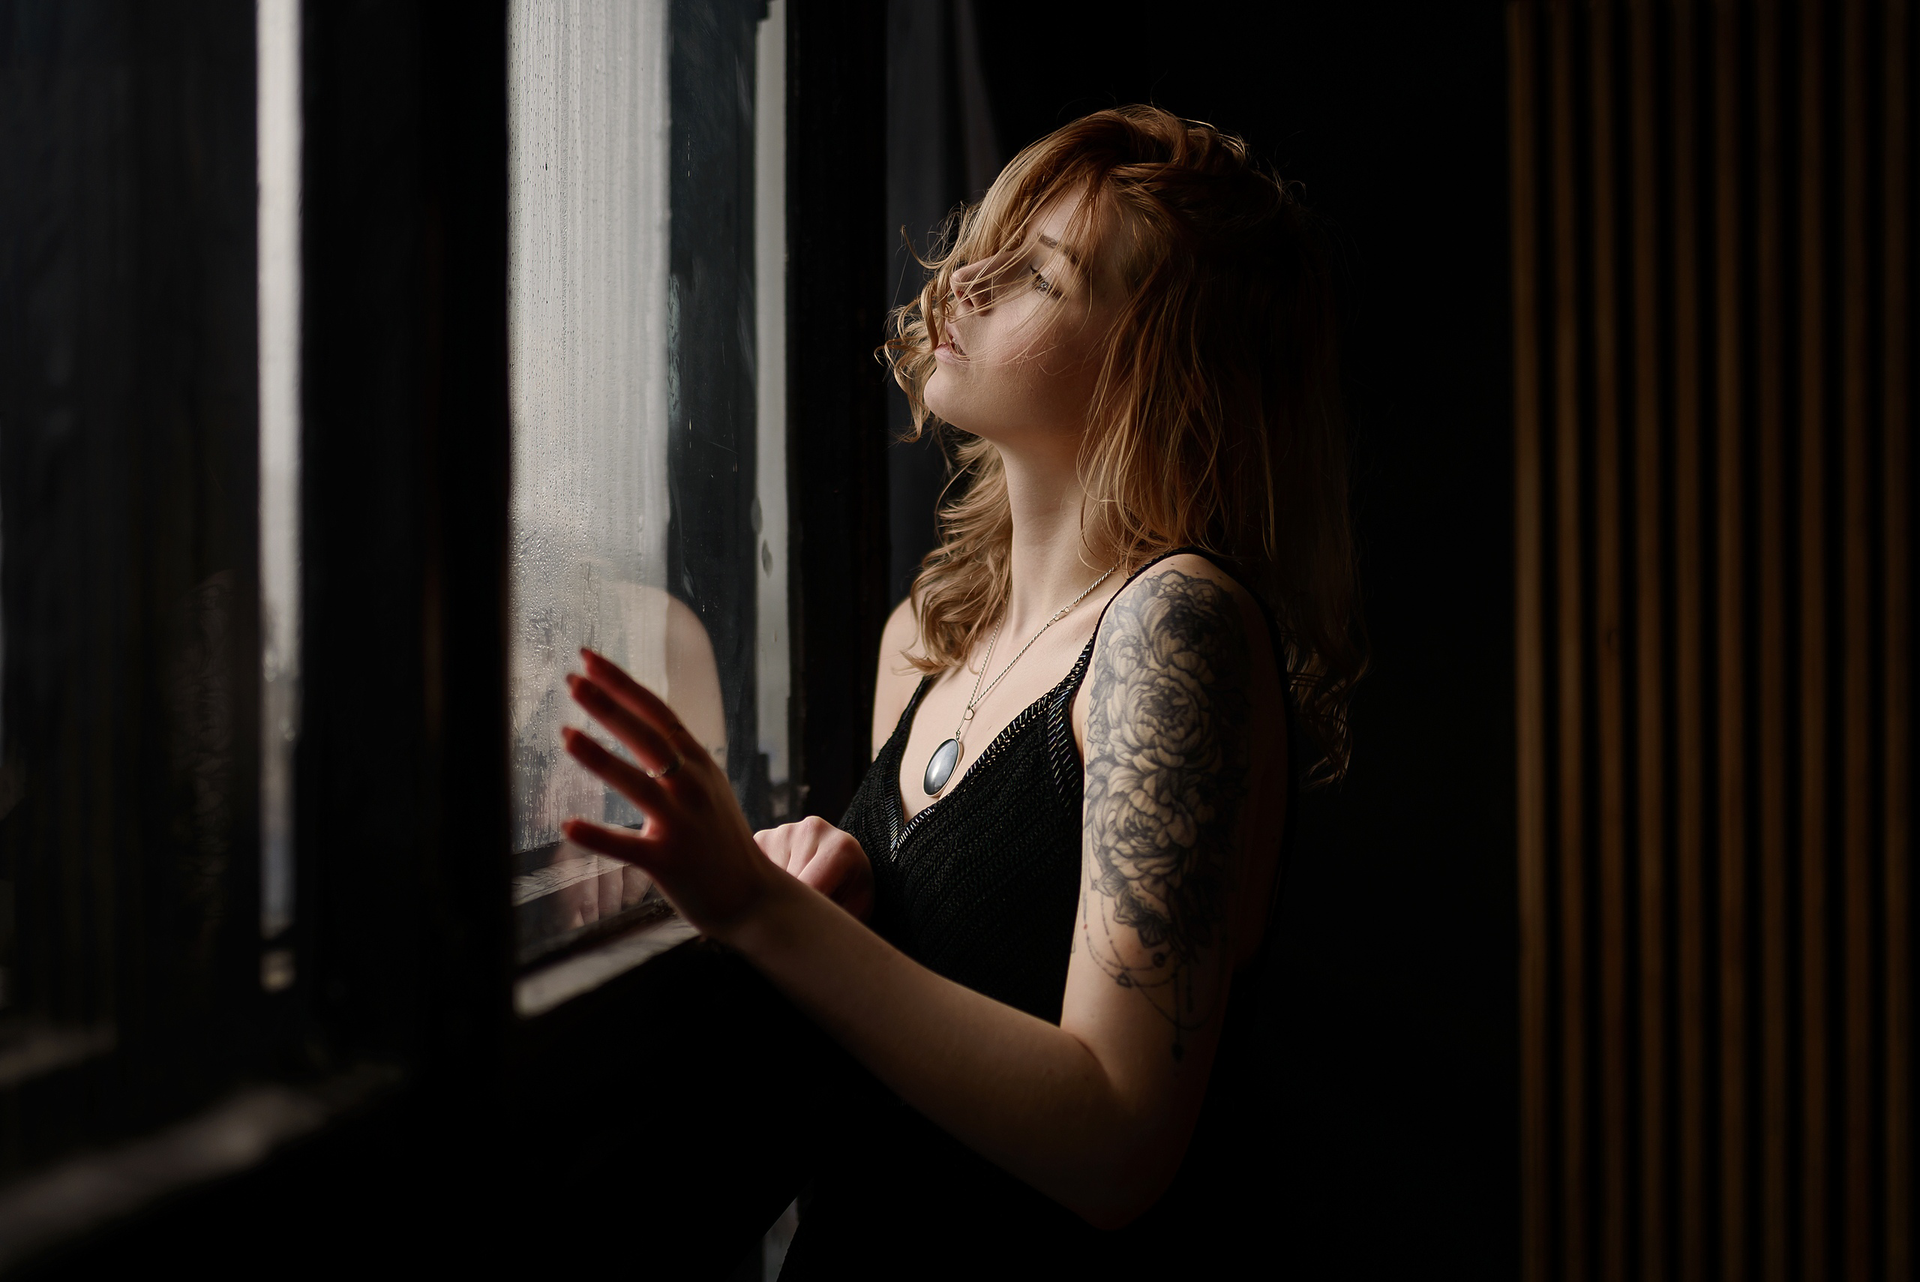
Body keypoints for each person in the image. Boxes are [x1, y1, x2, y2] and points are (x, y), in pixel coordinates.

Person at [558, 105, 1364, 1275]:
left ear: (1158, 363)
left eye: (1039, 272)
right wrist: (827, 888)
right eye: (987, 242)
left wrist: (761, 908)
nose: (962, 281)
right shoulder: (923, 641)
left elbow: (1118, 1142)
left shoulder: (1175, 626)